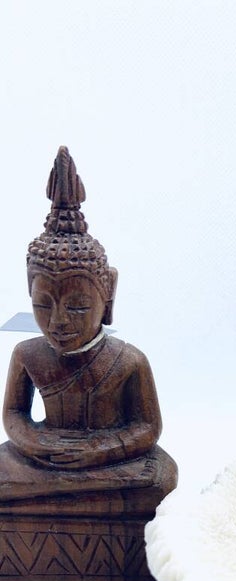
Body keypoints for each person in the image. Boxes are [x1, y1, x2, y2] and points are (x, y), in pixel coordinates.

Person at [0, 146, 177, 507]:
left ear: (107, 296)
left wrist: (98, 449)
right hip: (43, 460)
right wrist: (36, 443)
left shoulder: (129, 361)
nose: (58, 321)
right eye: (42, 304)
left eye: (78, 306)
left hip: (108, 463)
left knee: (157, 478)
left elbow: (147, 428)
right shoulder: (27, 354)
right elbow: (14, 415)